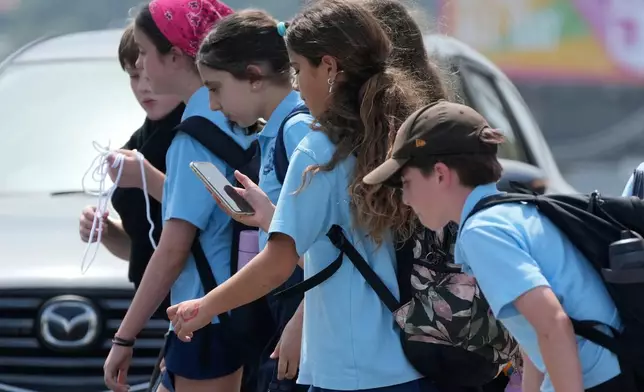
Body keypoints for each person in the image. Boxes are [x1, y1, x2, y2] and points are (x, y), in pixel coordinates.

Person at [167, 1, 435, 391]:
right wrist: (270, 217)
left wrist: (203, 308)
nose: (294, 84)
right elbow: (349, 242)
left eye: (296, 69)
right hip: (413, 360)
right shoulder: (398, 136)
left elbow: (278, 264)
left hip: (350, 369)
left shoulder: (318, 150)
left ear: (328, 68)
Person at [362, 100, 624, 392]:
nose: (405, 199)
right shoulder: (512, 212)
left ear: (439, 174)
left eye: (406, 182)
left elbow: (553, 326)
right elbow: (533, 336)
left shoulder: (483, 232)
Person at [101, 1, 257, 392]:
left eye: (144, 53)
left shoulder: (193, 138)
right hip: (242, 312)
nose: (141, 66)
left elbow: (173, 248)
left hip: (206, 317)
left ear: (173, 56)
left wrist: (124, 338)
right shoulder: (239, 120)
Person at [196, 10, 313, 392]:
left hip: (305, 313)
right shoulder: (277, 131)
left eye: (215, 88)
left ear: (253, 77)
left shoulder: (297, 130)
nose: (213, 104)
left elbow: (334, 241)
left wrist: (302, 321)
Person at [78, 23, 184, 320]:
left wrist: (148, 179)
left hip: (197, 309)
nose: (143, 86)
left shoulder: (202, 134)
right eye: (134, 76)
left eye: (149, 75)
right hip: (153, 310)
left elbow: (219, 219)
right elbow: (143, 246)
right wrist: (107, 231)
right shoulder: (139, 140)